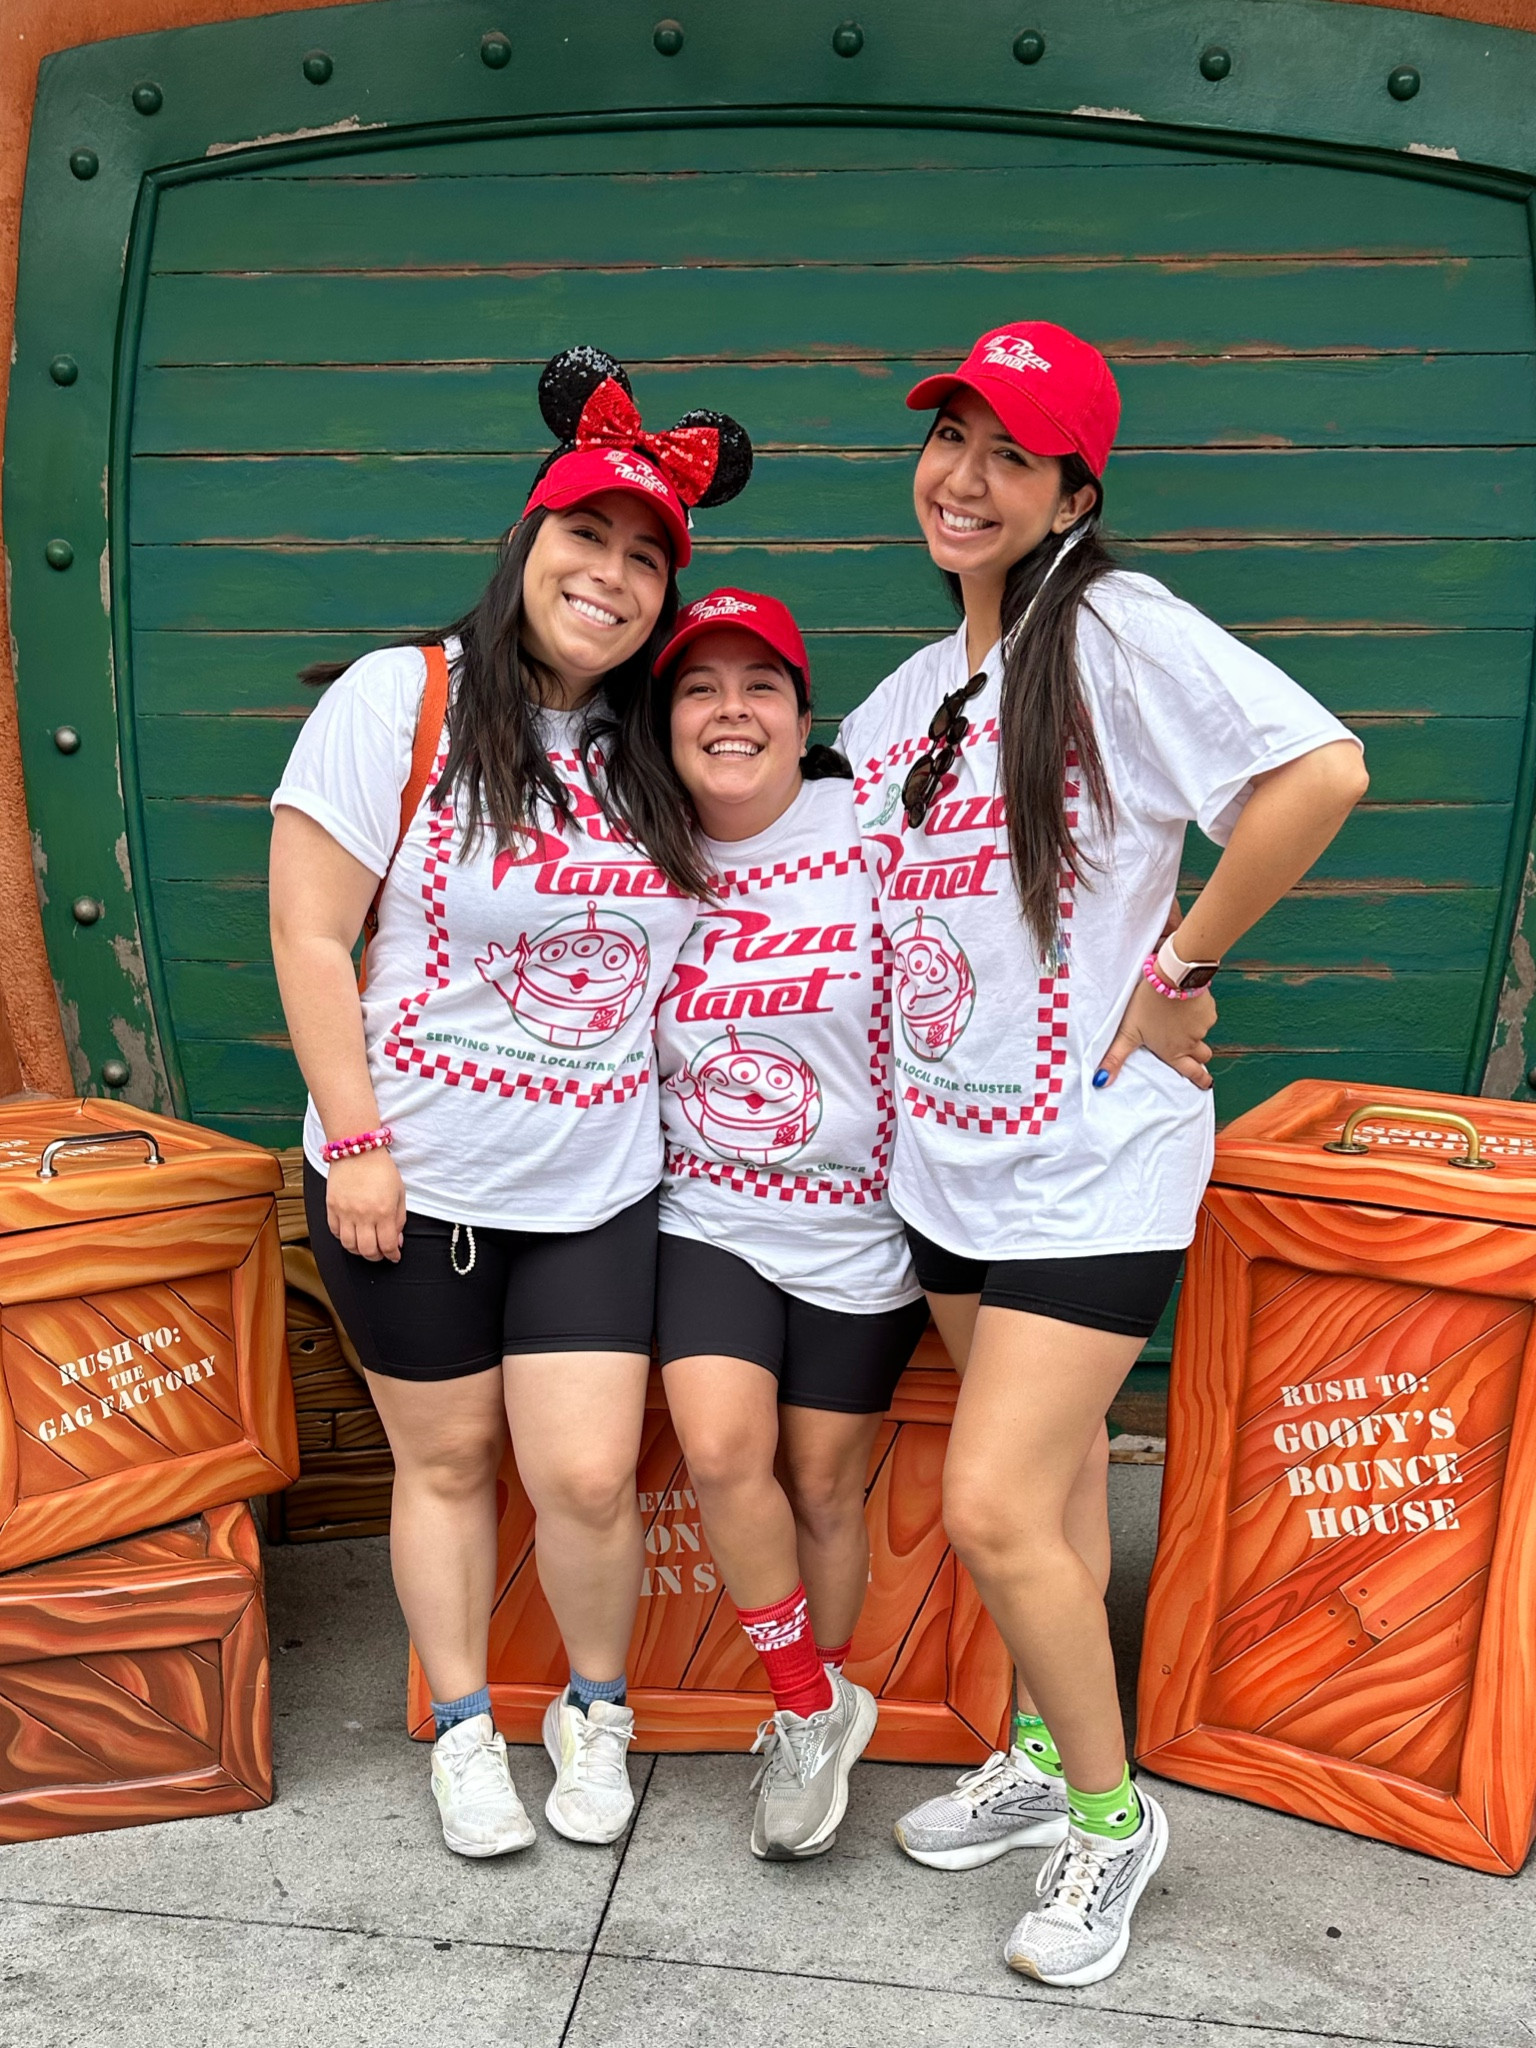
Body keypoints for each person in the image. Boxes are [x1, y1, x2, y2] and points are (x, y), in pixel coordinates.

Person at [839, 322, 1368, 1985]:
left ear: (1076, 484)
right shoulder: (920, 691)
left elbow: (1317, 771)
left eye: (1011, 451)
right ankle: (1047, 1755)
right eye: (951, 439)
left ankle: (1113, 1819)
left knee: (993, 1501)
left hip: (1089, 1156)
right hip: (945, 1164)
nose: (966, 477)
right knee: (1051, 1500)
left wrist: (1179, 969)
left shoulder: (1120, 628)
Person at [268, 346, 751, 1860]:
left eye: (644, 558)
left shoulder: (657, 745)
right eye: (586, 537)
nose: (609, 576)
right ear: (527, 543)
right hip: (404, 1175)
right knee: (450, 1461)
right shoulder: (405, 699)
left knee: (590, 1474)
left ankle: (591, 1712)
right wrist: (354, 1141)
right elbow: (305, 930)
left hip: (596, 1185)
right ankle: (468, 1730)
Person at [650, 589, 929, 1860]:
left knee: (822, 1482)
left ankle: (824, 1687)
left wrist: (1167, 987)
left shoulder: (867, 824)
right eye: (699, 688)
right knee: (721, 1449)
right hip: (707, 1210)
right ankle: (808, 1709)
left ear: (803, 716)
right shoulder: (640, 850)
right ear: (663, 725)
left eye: (760, 685)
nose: (731, 710)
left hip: (865, 1223)